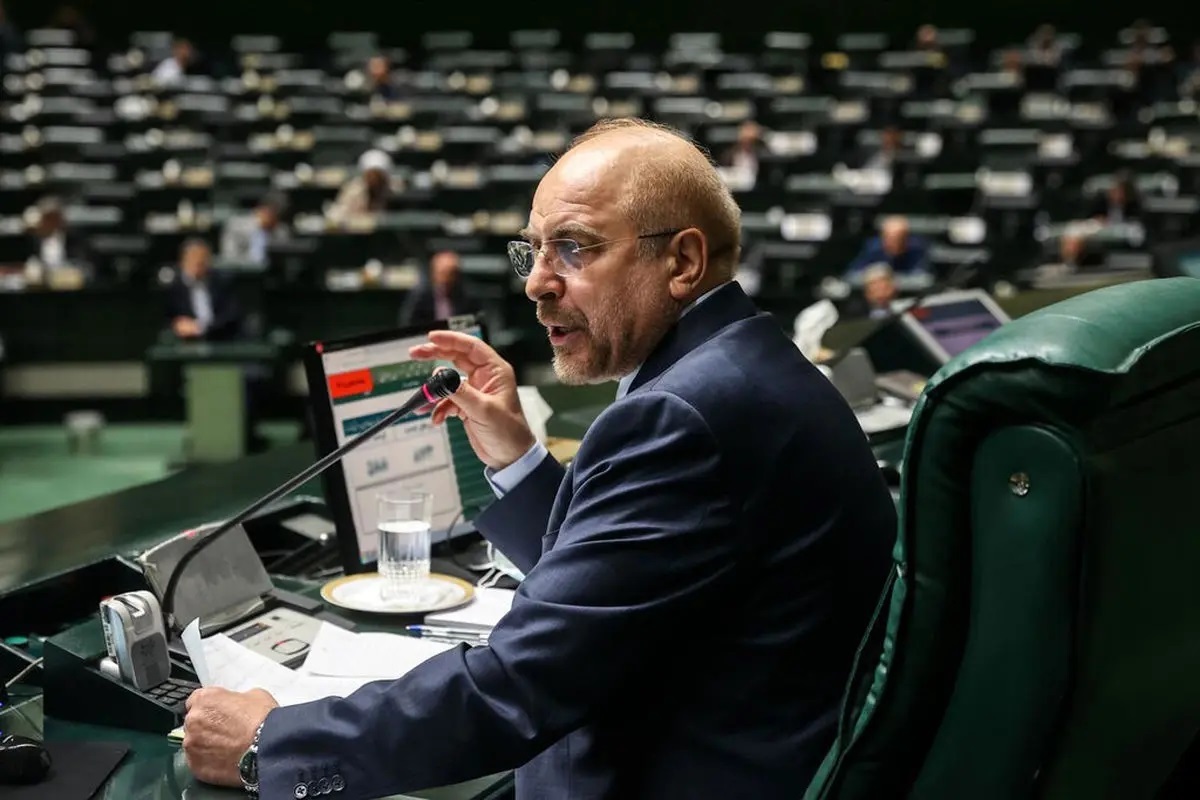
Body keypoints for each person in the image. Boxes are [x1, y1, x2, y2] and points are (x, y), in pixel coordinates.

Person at [182, 118, 896, 799]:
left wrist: (273, 743)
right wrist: (519, 457)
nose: (536, 282)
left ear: (681, 262)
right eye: (534, 251)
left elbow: (519, 688)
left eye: (574, 248)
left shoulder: (681, 415)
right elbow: (623, 580)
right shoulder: (746, 364)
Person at [164, 238, 245, 341]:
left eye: (202, 261)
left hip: (221, 338)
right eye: (193, 260)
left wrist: (201, 327)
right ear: (183, 262)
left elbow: (232, 315)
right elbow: (167, 319)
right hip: (185, 341)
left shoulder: (222, 282)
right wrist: (178, 326)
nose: (197, 265)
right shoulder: (173, 287)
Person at [399, 250, 481, 326]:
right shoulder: (420, 295)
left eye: (451, 273)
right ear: (434, 273)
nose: (447, 278)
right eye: (443, 273)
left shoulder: (467, 297)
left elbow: (473, 323)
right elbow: (408, 322)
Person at [220, 195, 289, 265]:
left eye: (275, 215)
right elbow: (229, 255)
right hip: (239, 267)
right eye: (268, 213)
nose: (270, 218)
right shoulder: (236, 225)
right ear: (259, 210)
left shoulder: (281, 232)